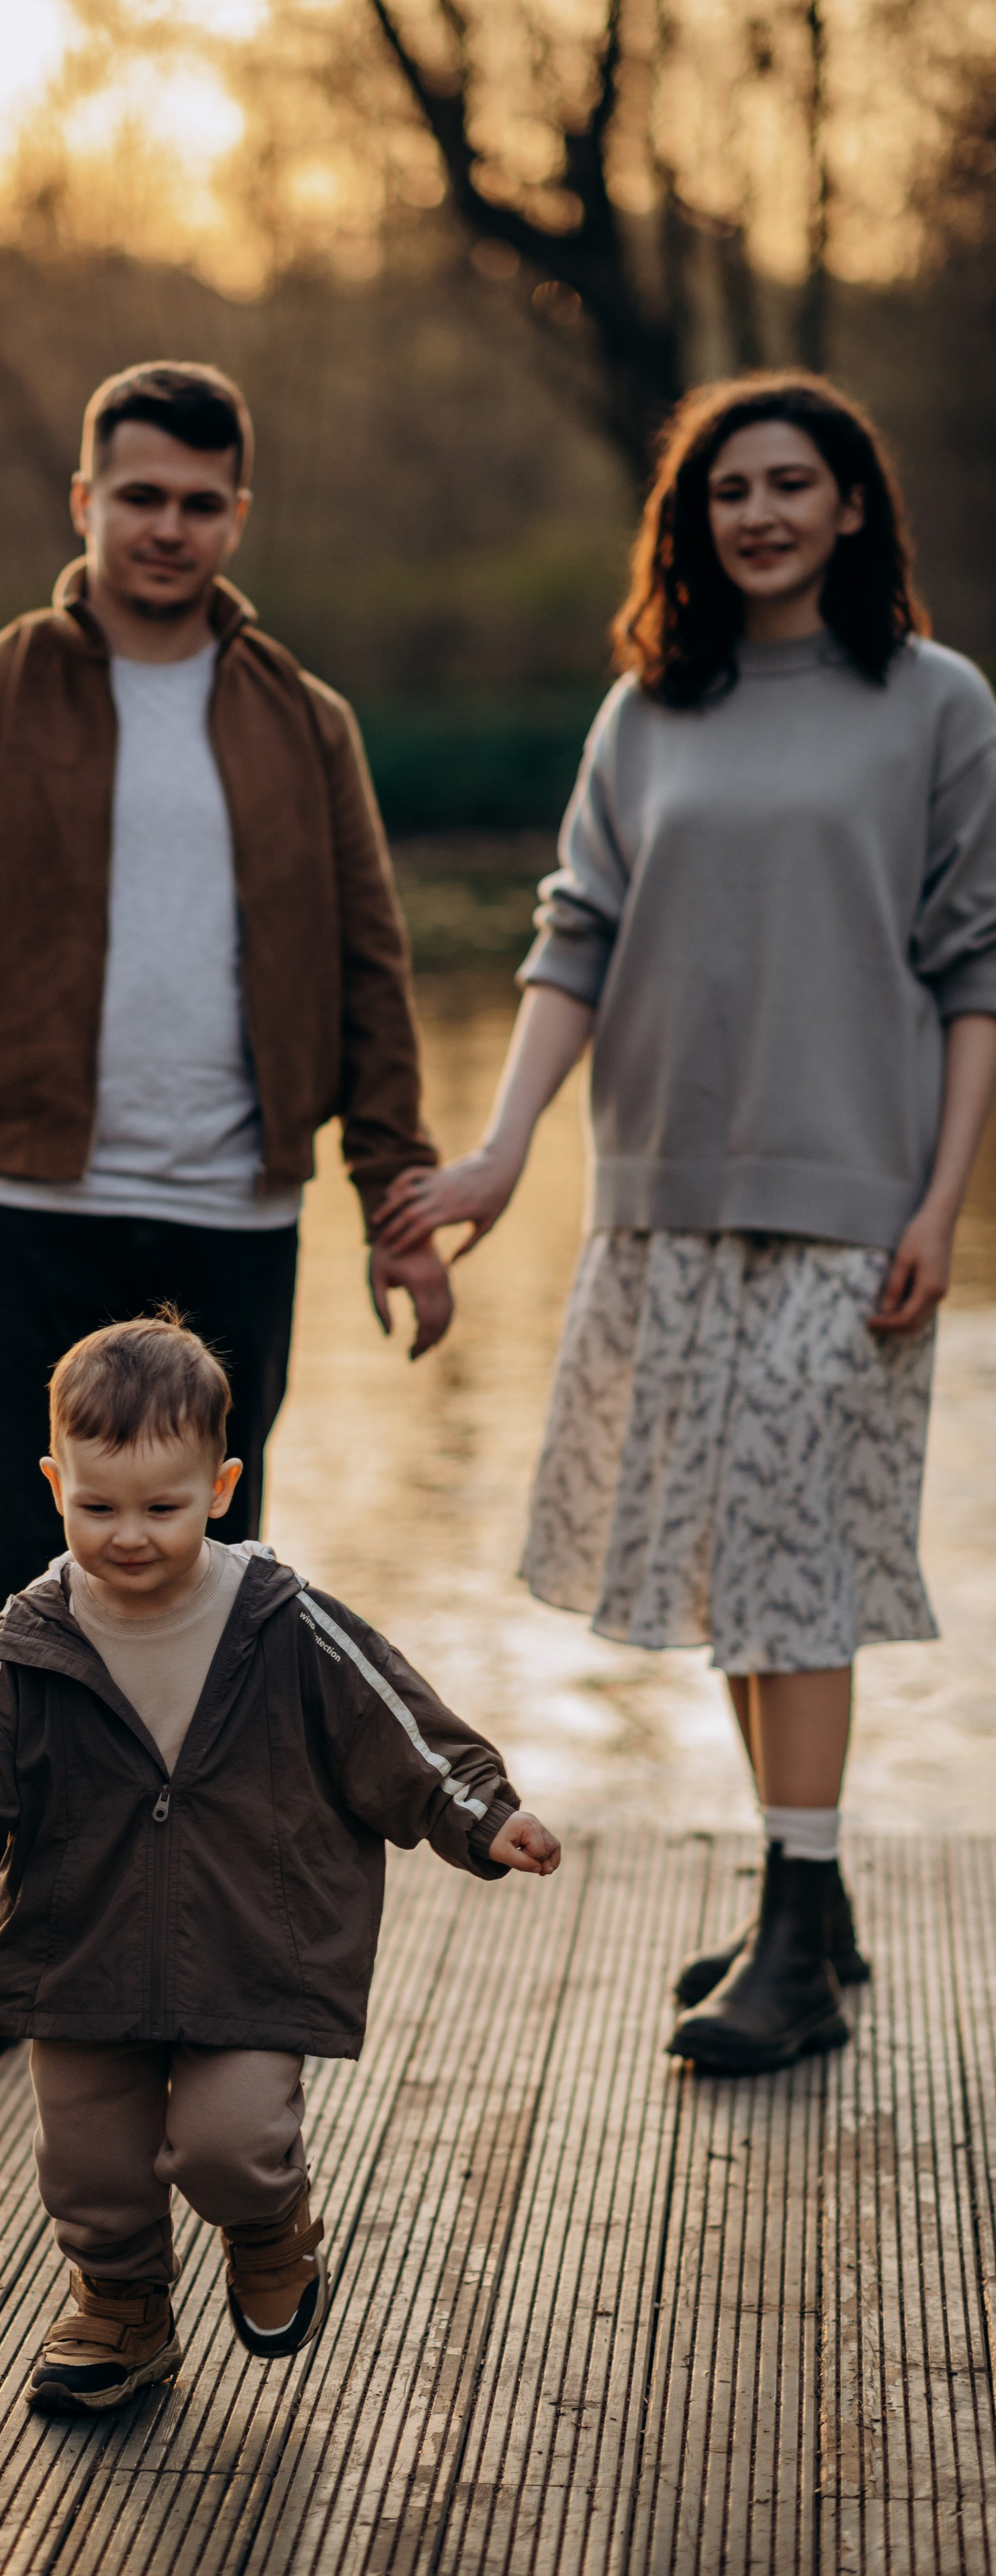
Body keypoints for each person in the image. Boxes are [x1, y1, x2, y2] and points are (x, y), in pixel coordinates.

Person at [385, 372, 996, 2077]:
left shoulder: (933, 703)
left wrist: (940, 1206)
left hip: (848, 1207)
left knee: (794, 1569)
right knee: (735, 1562)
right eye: (727, 489)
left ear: (851, 506)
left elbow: (972, 972)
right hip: (659, 1196)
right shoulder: (646, 711)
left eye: (792, 483)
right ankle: (806, 1893)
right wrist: (507, 1150)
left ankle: (795, 1942)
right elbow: (573, 935)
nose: (759, 514)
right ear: (691, 519)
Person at [0, 360, 453, 2055]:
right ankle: (0, 1923)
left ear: (234, 517)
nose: (165, 528)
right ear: (84, 504)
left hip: (233, 1215)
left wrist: (393, 1195)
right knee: (14, 1568)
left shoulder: (300, 720)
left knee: (212, 1576)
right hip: (22, 1198)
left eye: (197, 502)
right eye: (138, 497)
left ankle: (189, 1934)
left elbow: (371, 969)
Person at [0, 1310, 560, 2415]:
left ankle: (270, 2227)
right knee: (93, 2172)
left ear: (221, 1488)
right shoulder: (26, 1649)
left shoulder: (283, 1623)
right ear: (53, 1481)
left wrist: (478, 1812)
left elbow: (395, 1725)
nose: (129, 1534)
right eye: (98, 1506)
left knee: (232, 2144)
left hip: (253, 1945)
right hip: (82, 1956)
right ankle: (122, 2311)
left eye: (163, 1508)